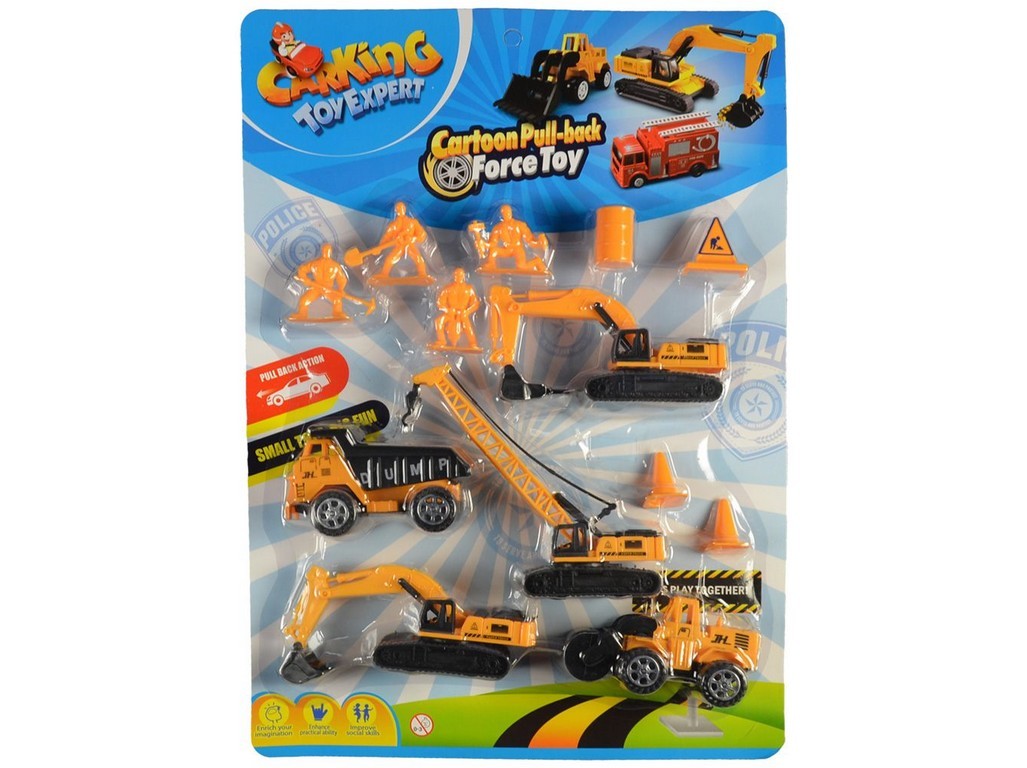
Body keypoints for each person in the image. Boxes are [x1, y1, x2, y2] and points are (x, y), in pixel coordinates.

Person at [430, 269, 481, 352]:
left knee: (467, 327)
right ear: (454, 277)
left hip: (463, 313)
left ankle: (473, 344)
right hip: (450, 313)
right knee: (439, 321)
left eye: (461, 275)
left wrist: (467, 312)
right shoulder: (447, 288)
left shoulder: (469, 289)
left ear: (464, 277)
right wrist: (447, 310)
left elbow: (475, 304)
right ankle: (441, 341)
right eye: (456, 275)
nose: (459, 277)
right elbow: (440, 302)